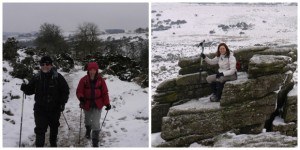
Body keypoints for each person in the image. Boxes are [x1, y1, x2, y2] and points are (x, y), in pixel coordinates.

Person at [20, 56, 69, 147]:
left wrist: (62, 103)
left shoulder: (58, 77)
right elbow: (30, 90)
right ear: (40, 65)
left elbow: (65, 91)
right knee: (40, 130)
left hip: (55, 108)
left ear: (51, 65)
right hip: (40, 109)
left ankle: (53, 144)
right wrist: (25, 88)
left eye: (47, 64)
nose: (45, 66)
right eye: (42, 64)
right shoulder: (37, 77)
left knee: (54, 128)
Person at [76, 62, 111, 147]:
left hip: (97, 104)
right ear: (88, 70)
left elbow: (105, 93)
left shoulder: (101, 80)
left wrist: (107, 103)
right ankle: (88, 130)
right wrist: (81, 98)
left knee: (95, 122)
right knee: (87, 120)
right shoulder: (83, 80)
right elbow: (79, 91)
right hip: (86, 103)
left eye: (94, 70)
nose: (92, 71)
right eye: (90, 70)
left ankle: (95, 141)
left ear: (96, 71)